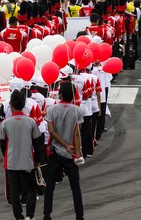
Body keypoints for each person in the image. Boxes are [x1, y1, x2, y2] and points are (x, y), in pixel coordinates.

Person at [0, 90, 45, 220]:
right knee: (31, 188)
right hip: (28, 160)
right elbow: (37, 143)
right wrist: (38, 161)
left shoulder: (5, 123)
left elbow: (2, 143)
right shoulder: (30, 122)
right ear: (24, 104)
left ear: (11, 105)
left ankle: (18, 216)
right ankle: (30, 215)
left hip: (11, 160)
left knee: (14, 190)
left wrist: (5, 156)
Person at [44, 81, 84, 220]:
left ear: (60, 93)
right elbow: (77, 133)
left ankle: (46, 215)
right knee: (75, 187)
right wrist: (77, 153)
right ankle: (80, 216)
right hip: (71, 154)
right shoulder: (78, 110)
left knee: (50, 187)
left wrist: (63, 144)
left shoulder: (51, 110)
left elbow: (51, 131)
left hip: (55, 152)